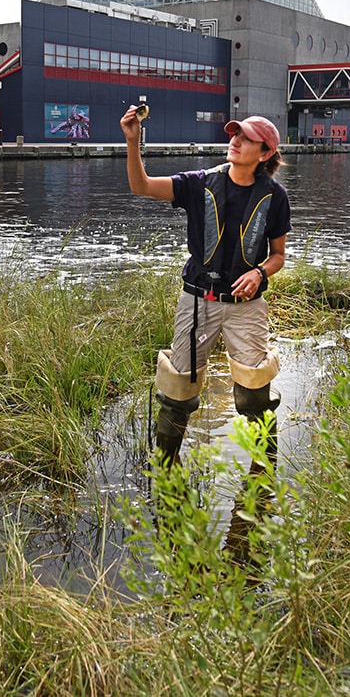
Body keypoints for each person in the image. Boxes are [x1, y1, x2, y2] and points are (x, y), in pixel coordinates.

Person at [120, 107, 292, 466]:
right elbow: (141, 185)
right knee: (177, 392)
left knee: (254, 394)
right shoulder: (198, 183)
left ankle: (263, 475)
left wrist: (260, 274)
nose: (235, 141)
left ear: (265, 154)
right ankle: (166, 471)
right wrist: (133, 140)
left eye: (246, 139)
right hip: (197, 301)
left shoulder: (275, 197)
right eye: (235, 134)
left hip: (247, 307)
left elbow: (277, 256)